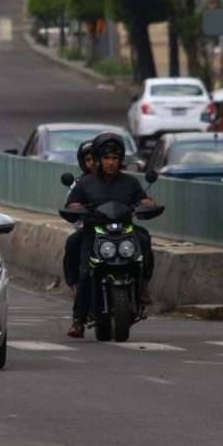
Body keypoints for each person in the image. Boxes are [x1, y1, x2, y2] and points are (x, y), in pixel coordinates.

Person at [65, 133, 155, 338]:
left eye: (115, 158)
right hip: (95, 232)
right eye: (107, 158)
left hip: (125, 231)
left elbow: (142, 200)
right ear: (98, 160)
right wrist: (74, 206)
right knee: (86, 272)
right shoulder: (85, 183)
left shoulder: (131, 182)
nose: (111, 163)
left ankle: (143, 288)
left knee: (144, 238)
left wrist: (147, 203)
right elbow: (71, 203)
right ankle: (78, 320)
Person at [62, 140, 95, 294]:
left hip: (120, 228)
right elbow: (70, 208)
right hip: (91, 229)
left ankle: (142, 287)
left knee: (142, 237)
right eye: (88, 160)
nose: (93, 164)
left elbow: (137, 198)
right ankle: (75, 284)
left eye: (96, 158)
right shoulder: (79, 185)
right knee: (72, 242)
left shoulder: (123, 180)